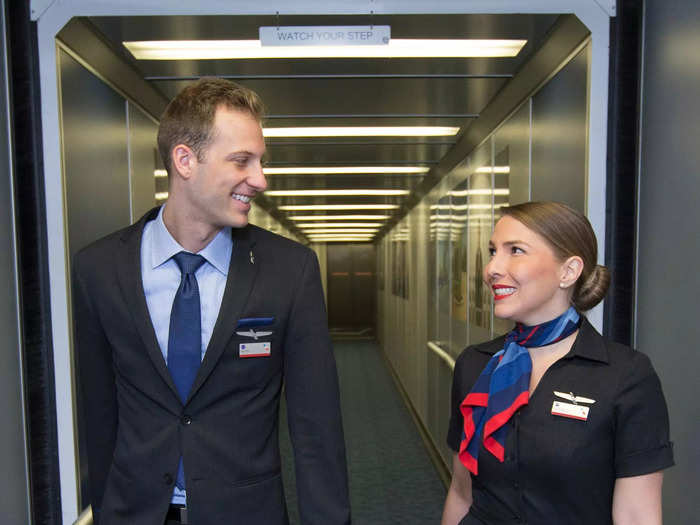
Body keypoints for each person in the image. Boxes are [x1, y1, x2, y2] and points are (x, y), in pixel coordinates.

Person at [73, 78, 351, 525]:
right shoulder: (99, 269)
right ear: (185, 160)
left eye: (260, 161)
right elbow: (101, 414)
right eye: (242, 161)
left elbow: (316, 428)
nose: (260, 179)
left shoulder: (289, 270)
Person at [441, 201, 673, 525]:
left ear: (569, 271)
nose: (492, 267)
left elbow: (637, 517)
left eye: (515, 251)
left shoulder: (625, 377)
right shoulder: (475, 365)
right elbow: (462, 493)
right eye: (493, 251)